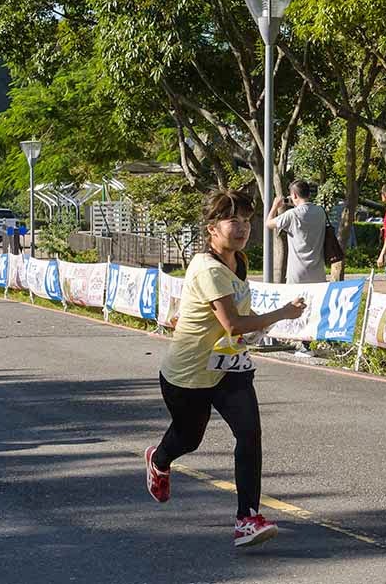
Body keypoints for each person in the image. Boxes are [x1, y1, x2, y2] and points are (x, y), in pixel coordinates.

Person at [144, 190, 306, 548]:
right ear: (211, 228)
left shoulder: (239, 261)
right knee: (189, 438)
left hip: (229, 368)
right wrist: (282, 313)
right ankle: (159, 458)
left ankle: (247, 519)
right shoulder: (206, 268)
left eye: (247, 220)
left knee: (249, 435)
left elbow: (236, 329)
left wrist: (256, 330)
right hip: (188, 374)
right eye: (234, 220)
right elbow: (232, 324)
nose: (243, 227)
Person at [266, 180, 327, 284]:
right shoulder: (321, 211)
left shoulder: (292, 215)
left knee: (296, 300)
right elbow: (306, 213)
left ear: (294, 195)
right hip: (318, 273)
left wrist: (275, 206)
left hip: (297, 273)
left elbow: (268, 224)